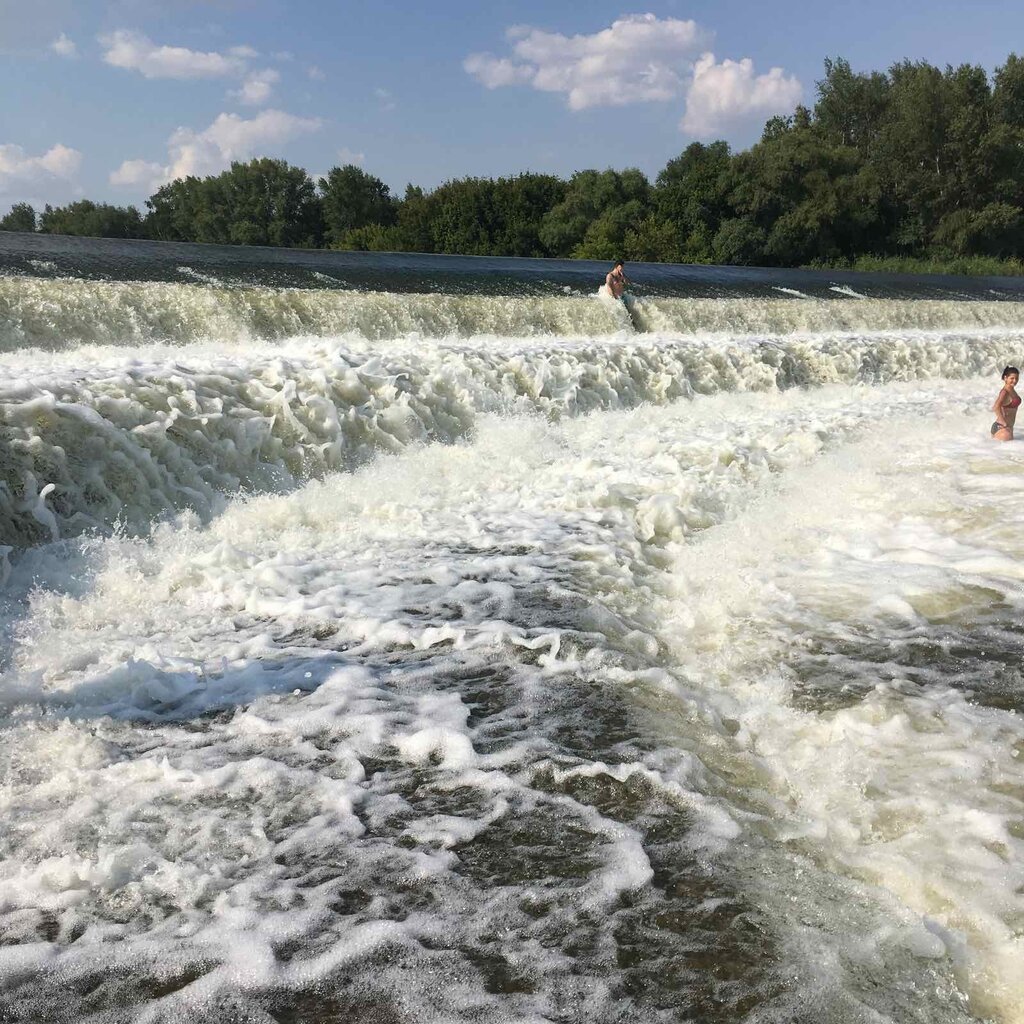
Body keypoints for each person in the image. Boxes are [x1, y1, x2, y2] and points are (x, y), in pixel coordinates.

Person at [991, 365, 1021, 441]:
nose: (1015, 380)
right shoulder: (1005, 392)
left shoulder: (1011, 390)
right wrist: (1003, 423)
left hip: (1007, 428)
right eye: (1012, 378)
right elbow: (995, 407)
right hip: (1002, 428)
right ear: (1005, 378)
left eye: (1016, 378)